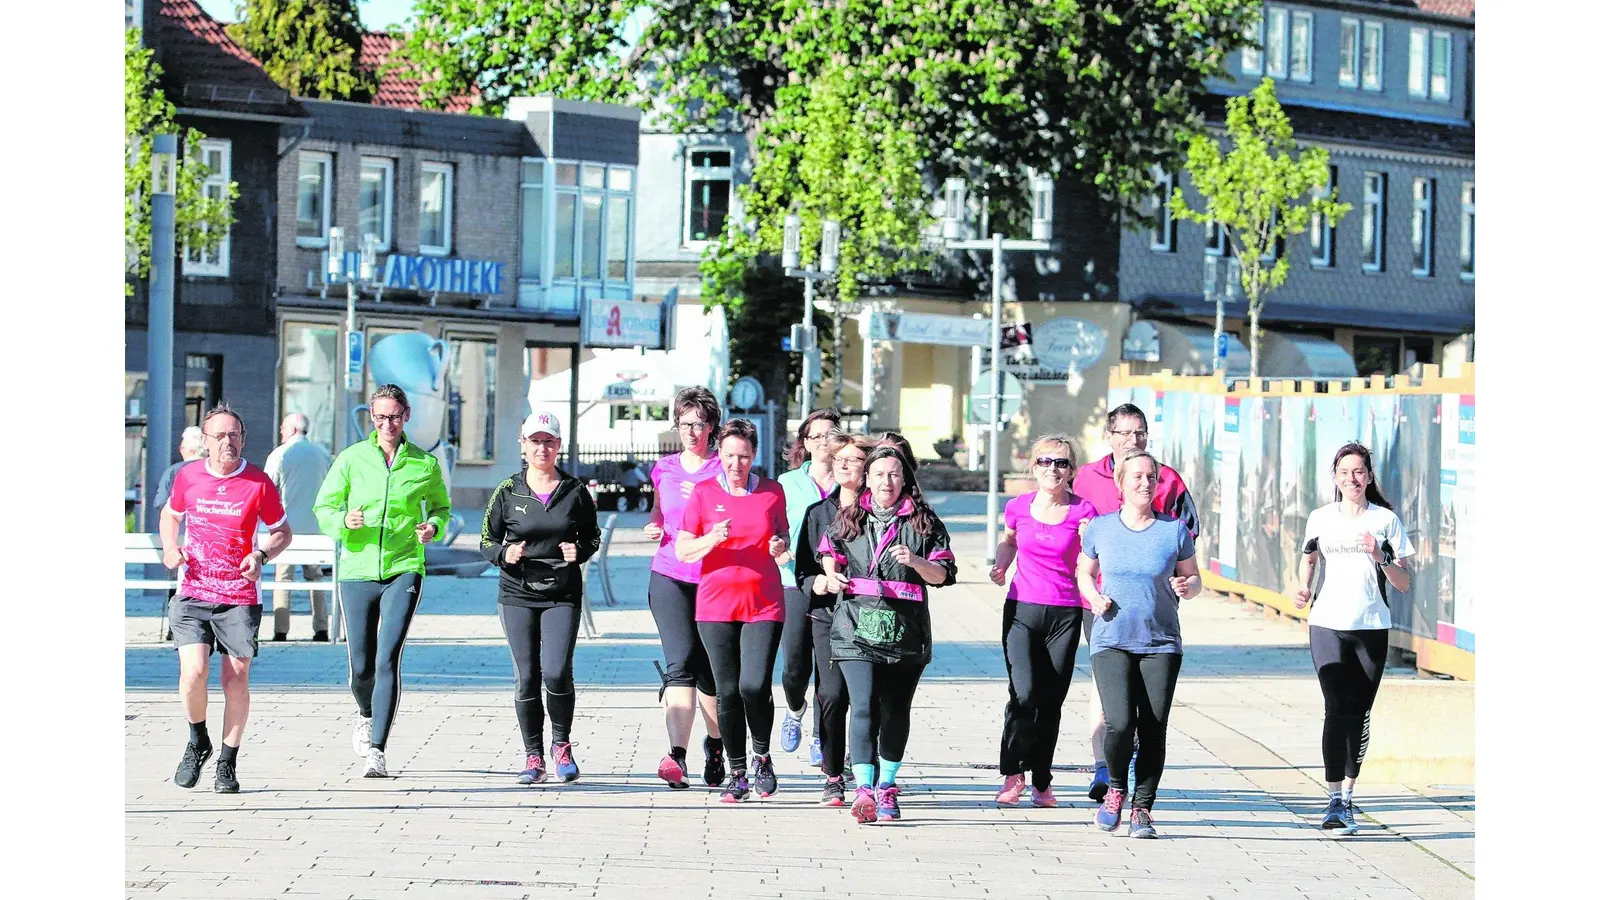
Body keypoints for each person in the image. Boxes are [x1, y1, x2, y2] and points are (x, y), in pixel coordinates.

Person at [313, 384, 451, 779]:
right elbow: (324, 507)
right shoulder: (351, 458)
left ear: (406, 415)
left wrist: (433, 527)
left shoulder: (424, 463)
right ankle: (365, 712)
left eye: (393, 416)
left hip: (404, 567)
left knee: (387, 657)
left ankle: (377, 750)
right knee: (361, 667)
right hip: (357, 570)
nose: (387, 424)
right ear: (371, 418)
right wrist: (343, 521)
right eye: (379, 418)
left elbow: (441, 507)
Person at [819, 444, 956, 824]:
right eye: (879, 474)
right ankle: (863, 788)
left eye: (894, 474)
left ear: (905, 479)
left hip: (905, 634)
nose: (886, 482)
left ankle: (887, 785)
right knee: (862, 705)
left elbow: (943, 575)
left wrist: (916, 561)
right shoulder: (850, 516)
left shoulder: (924, 522)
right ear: (867, 478)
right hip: (854, 628)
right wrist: (831, 574)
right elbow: (829, 551)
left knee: (895, 711)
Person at [161, 404, 292, 794]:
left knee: (235, 678)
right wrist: (170, 548)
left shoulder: (258, 482)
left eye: (234, 435)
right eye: (219, 436)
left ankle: (227, 762)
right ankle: (197, 740)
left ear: (243, 439)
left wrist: (261, 555)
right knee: (193, 673)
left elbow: (282, 531)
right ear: (205, 441)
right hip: (194, 591)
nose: (227, 442)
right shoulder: (188, 476)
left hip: (239, 594)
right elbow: (170, 515)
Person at [1071, 402, 1197, 800]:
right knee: (1109, 688)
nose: (1133, 439)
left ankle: (1133, 773)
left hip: (1153, 604)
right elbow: (1067, 523)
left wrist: (1182, 581)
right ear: (1109, 436)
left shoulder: (1168, 478)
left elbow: (1187, 535)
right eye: (1124, 432)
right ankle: (1103, 768)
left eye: (1140, 432)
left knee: (1147, 706)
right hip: (1102, 602)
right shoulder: (1086, 477)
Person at [1292, 442, 1414, 836]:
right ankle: (1333, 801)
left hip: (1371, 625)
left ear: (1369, 476)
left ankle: (1347, 795)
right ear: (1335, 478)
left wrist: (1381, 556)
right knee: (1335, 708)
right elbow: (1309, 558)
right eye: (1344, 472)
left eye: (1359, 472)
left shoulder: (1385, 521)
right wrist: (1303, 587)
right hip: (1327, 623)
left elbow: (1404, 581)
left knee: (1358, 713)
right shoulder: (1320, 518)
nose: (1352, 479)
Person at [481, 411, 602, 785]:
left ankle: (561, 746)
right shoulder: (507, 490)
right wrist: (505, 554)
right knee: (527, 676)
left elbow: (592, 536)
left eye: (548, 441)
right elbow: (486, 540)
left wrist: (579, 551)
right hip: (517, 592)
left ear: (559, 446)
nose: (541, 448)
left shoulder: (575, 491)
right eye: (535, 441)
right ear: (523, 444)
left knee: (556, 671)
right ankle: (533, 756)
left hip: (562, 593)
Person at [675, 419, 790, 802]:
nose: (735, 464)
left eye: (743, 456)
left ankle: (763, 757)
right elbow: (683, 550)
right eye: (728, 456)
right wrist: (711, 538)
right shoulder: (704, 493)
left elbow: (783, 538)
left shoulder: (772, 492)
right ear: (719, 455)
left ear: (754, 455)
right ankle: (737, 772)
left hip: (763, 602)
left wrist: (779, 547)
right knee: (727, 690)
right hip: (715, 605)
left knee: (753, 685)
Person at [988, 436, 1098, 808]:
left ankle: (1042, 781)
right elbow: (1009, 542)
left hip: (1065, 612)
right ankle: (1013, 773)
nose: (1053, 469)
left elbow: (1097, 558)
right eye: (1045, 461)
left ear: (1072, 471)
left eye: (1062, 463)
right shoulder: (1018, 507)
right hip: (1022, 610)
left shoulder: (1085, 512)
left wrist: (1089, 543)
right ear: (1033, 467)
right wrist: (1001, 566)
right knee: (1023, 693)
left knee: (1051, 700)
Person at [643, 386, 726, 789]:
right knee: (679, 665)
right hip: (669, 574)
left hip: (714, 579)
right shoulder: (664, 468)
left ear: (712, 426)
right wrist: (654, 524)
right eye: (684, 423)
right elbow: (660, 509)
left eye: (699, 424)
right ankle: (676, 756)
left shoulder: (724, 467)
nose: (691, 431)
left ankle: (716, 745)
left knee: (710, 670)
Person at [794, 431, 873, 805]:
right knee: (831, 694)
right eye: (839, 458)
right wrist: (819, 582)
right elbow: (802, 572)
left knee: (867, 698)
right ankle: (833, 774)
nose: (843, 464)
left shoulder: (880, 513)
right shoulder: (818, 514)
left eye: (853, 459)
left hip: (873, 617)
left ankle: (867, 772)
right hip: (828, 615)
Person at [776, 407, 841, 763]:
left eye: (830, 434)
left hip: (837, 585)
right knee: (794, 666)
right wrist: (778, 550)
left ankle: (821, 735)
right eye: (816, 436)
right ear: (805, 441)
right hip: (794, 580)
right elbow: (773, 527)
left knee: (829, 668)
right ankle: (794, 709)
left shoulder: (850, 482)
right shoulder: (787, 483)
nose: (824, 442)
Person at [262, 412, 334, 641]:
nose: (281, 431)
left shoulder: (279, 454)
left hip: (287, 529)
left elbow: (267, 490)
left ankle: (281, 630)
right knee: (316, 577)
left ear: (292, 429)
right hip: (317, 529)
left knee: (283, 578)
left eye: (283, 427)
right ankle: (321, 628)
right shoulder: (323, 454)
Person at [154, 425, 206, 640]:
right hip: (207, 538)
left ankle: (175, 628)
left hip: (180, 535)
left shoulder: (174, 471)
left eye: (182, 445)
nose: (180, 449)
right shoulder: (214, 470)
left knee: (177, 583)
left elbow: (161, 504)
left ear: (189, 449)